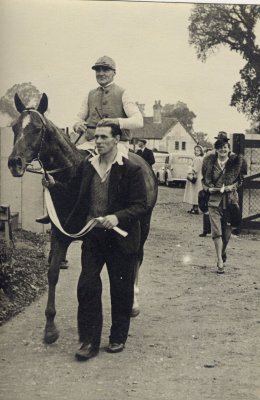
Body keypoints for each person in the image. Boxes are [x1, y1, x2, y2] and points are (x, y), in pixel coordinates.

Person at [44, 122, 148, 360]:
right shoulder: (87, 167)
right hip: (93, 237)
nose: (98, 141)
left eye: (103, 137)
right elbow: (72, 192)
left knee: (120, 289)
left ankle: (118, 336)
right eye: (96, 137)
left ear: (116, 140)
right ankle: (89, 341)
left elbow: (141, 206)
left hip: (121, 239)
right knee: (87, 286)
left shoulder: (130, 170)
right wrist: (54, 185)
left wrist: (117, 217)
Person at [36, 55, 143, 224]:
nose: (101, 73)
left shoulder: (123, 93)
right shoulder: (90, 94)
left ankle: (117, 211)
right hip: (92, 142)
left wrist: (117, 122)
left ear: (114, 72)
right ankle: (58, 209)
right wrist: (78, 124)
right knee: (67, 163)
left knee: (120, 170)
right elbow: (77, 118)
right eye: (98, 70)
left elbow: (138, 120)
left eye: (105, 69)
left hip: (117, 142)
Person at [201, 132, 246, 274]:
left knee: (227, 234)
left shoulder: (235, 163)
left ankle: (223, 251)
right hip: (214, 202)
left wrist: (231, 187)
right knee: (216, 232)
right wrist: (209, 189)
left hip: (230, 201)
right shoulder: (209, 163)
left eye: (225, 147)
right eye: (220, 147)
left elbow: (240, 181)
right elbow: (204, 181)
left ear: (229, 149)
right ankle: (220, 260)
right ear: (216, 149)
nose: (223, 150)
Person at [183, 144, 204, 214]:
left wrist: (190, 170)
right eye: (195, 150)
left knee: (195, 193)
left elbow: (196, 169)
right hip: (199, 177)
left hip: (196, 177)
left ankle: (195, 208)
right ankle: (194, 208)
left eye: (198, 150)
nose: (196, 151)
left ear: (201, 151)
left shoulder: (197, 159)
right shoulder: (201, 159)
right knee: (196, 193)